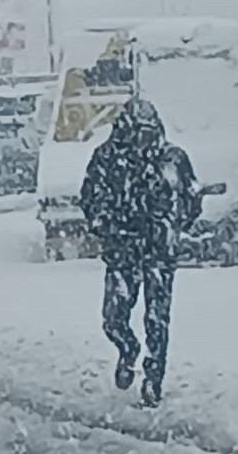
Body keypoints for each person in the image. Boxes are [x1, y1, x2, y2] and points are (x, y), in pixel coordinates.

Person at [79, 98, 201, 407]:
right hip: (122, 251)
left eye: (148, 132)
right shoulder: (106, 157)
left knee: (157, 319)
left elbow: (191, 196)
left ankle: (153, 378)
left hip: (160, 252)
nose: (142, 140)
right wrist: (104, 224)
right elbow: (90, 197)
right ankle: (128, 348)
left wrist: (174, 225)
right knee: (113, 318)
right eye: (137, 132)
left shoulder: (173, 158)